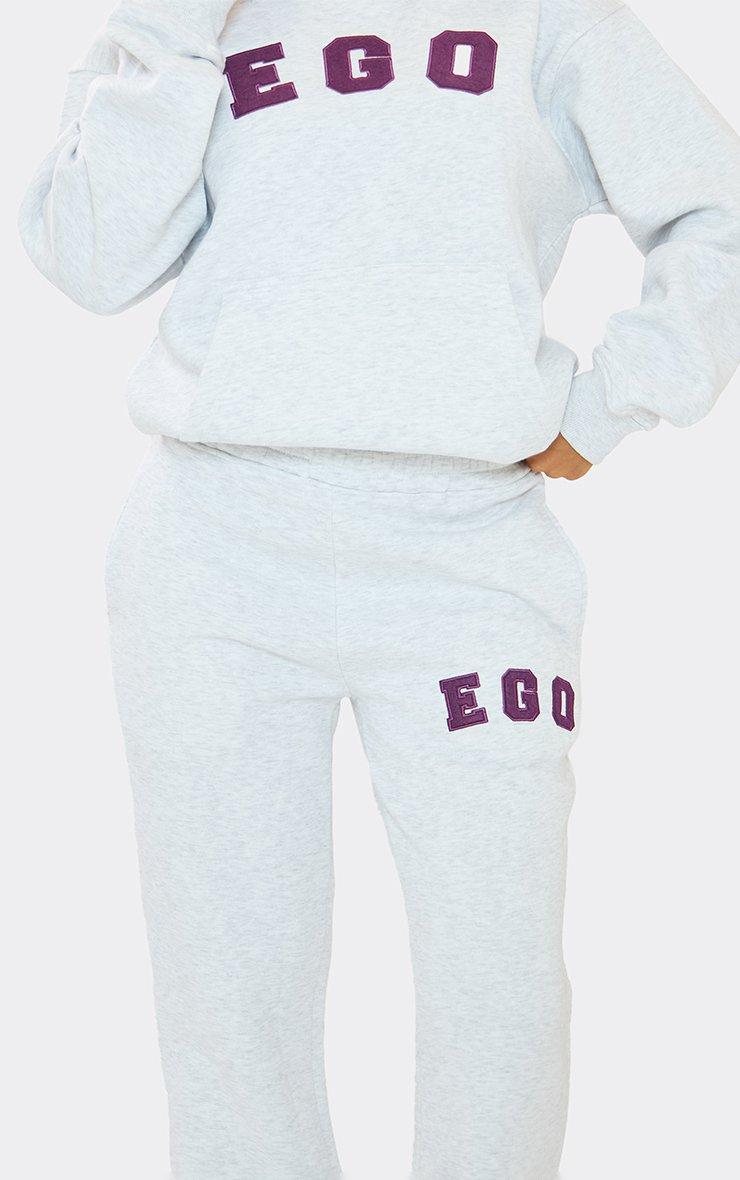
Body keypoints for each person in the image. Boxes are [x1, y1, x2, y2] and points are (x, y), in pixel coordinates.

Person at [19, 1, 740, 1177]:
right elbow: (91, 259)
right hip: (213, 550)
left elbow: (716, 203)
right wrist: (176, 25)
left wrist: (616, 395)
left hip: (470, 553)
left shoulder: (546, 14)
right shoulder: (178, 19)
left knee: (494, 969)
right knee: (230, 985)